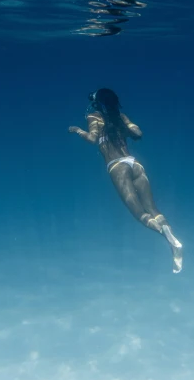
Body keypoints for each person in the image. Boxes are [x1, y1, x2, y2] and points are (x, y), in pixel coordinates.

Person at [69, 88, 183, 273]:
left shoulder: (94, 116)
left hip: (116, 166)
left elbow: (92, 139)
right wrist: (126, 128)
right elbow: (137, 133)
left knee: (139, 214)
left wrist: (77, 130)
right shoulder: (121, 117)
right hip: (134, 164)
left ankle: (165, 235)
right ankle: (171, 238)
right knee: (153, 208)